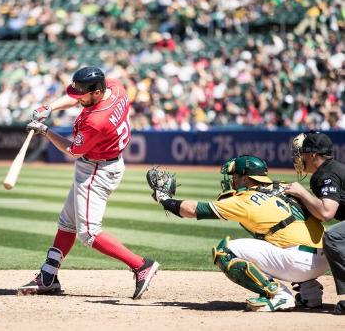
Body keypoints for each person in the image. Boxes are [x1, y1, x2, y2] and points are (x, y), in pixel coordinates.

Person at [18, 66, 159, 299]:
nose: (77, 97)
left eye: (82, 93)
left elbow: (72, 150)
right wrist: (49, 107)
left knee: (89, 233)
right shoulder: (114, 86)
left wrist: (45, 131)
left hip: (96, 169)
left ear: (96, 92)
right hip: (105, 162)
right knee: (66, 223)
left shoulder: (96, 120)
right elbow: (75, 100)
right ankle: (48, 276)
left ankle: (141, 265)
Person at [147, 155, 329, 312]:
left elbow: (193, 210)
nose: (232, 180)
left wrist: (165, 199)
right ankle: (310, 294)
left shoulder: (246, 199)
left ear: (245, 178)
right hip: (324, 258)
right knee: (270, 234)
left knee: (225, 251)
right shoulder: (284, 186)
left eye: (234, 175)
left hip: (297, 263)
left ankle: (277, 295)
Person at [285, 131, 345, 315]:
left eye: (302, 153)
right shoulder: (331, 168)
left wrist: (302, 193)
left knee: (334, 237)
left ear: (312, 155)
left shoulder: (326, 174)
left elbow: (326, 212)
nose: (299, 157)